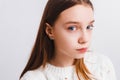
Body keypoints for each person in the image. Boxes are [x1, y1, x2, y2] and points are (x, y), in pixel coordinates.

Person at [20, 0, 116, 80]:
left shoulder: (102, 66)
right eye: (72, 28)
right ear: (50, 31)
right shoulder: (33, 78)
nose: (85, 39)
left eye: (89, 27)